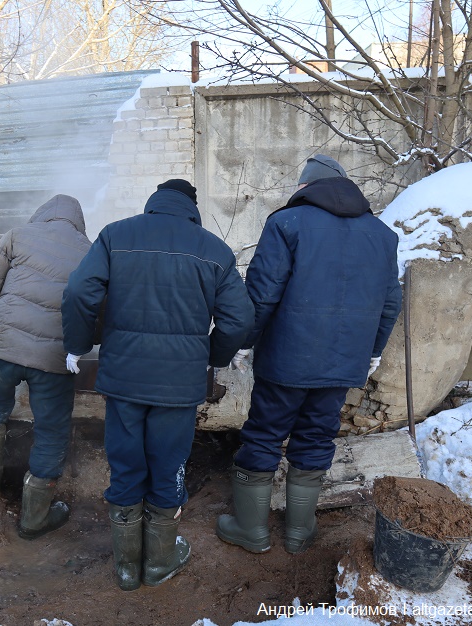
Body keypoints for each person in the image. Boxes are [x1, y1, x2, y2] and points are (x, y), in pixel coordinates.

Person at [62, 179, 254, 591]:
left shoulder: (116, 235)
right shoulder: (215, 251)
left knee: (126, 463)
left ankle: (127, 568)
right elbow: (239, 320)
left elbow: (79, 290)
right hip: (178, 387)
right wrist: (211, 358)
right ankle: (159, 564)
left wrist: (78, 345)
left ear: (154, 202)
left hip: (124, 380)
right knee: (169, 467)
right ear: (192, 207)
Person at [217, 155, 402, 555]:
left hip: (287, 359)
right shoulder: (383, 235)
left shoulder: (286, 223)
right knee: (317, 436)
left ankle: (252, 531)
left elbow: (263, 293)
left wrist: (244, 341)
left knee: (264, 435)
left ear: (305, 187)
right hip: (343, 362)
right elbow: (390, 302)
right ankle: (299, 533)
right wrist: (372, 351)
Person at [0, 194, 91, 540]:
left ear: (43, 214)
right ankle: (35, 517)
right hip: (54, 358)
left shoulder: (18, 234)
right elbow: (95, 311)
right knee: (51, 430)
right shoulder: (91, 251)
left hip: (5, 347)